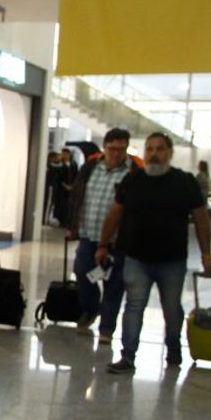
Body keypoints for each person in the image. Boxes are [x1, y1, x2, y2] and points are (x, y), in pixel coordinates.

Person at [99, 133, 211, 373]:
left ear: (170, 153)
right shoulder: (133, 180)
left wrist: (206, 255)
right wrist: (102, 244)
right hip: (136, 258)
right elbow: (114, 214)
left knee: (171, 309)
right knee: (134, 305)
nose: (154, 154)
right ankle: (127, 356)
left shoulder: (185, 182)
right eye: (149, 149)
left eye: (160, 149)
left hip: (172, 260)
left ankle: (173, 348)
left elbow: (201, 219)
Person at [66, 127, 142, 344]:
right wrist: (72, 225)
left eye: (121, 149)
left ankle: (106, 329)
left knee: (114, 284)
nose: (116, 153)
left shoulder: (133, 172)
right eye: (112, 149)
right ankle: (91, 308)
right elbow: (77, 196)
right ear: (104, 148)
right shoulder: (90, 168)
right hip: (89, 234)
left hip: (117, 241)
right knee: (82, 272)